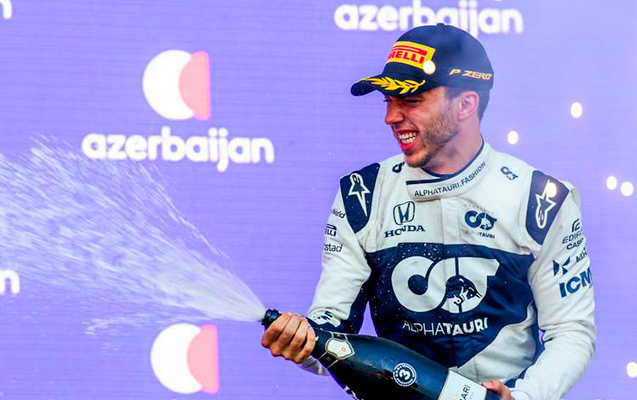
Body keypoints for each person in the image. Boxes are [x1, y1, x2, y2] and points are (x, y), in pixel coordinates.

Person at [262, 23, 595, 400]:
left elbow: (572, 332)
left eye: (411, 100)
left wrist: (524, 397)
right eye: (388, 101)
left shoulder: (540, 199)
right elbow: (331, 332)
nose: (391, 117)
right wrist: (303, 341)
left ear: (466, 104)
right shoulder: (363, 194)